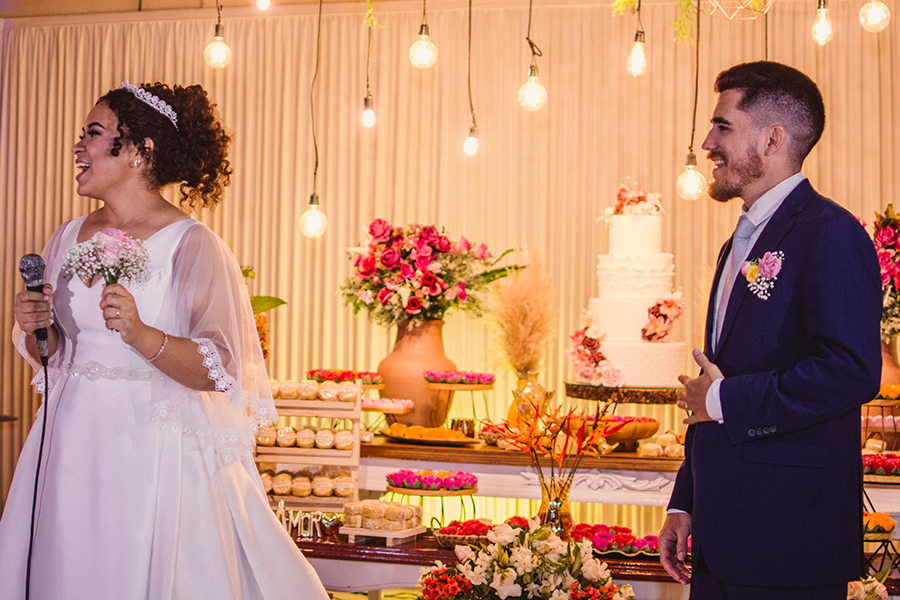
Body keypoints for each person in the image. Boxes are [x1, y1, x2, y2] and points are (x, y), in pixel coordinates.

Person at [0, 81, 330, 599]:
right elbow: (61, 354)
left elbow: (221, 368)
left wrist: (141, 334)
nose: (78, 146)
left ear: (140, 150)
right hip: (70, 436)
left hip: (152, 444)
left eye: (93, 133)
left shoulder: (191, 243)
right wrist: (38, 326)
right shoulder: (65, 236)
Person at [660, 61, 882, 599]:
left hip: (788, 539)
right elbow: (715, 380)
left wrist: (725, 400)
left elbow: (851, 371)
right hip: (718, 536)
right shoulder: (737, 243)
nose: (707, 143)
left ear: (773, 138)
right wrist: (685, 502)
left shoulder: (831, 233)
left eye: (722, 126)